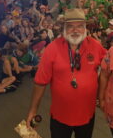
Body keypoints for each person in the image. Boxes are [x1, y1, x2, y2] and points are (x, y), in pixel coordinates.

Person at [26, 8, 106, 138]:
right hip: (60, 116)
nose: (75, 30)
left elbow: (111, 65)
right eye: (70, 26)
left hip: (87, 115)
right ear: (64, 28)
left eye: (80, 26)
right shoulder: (52, 49)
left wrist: (102, 96)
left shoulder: (96, 46)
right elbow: (40, 83)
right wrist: (33, 110)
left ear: (85, 28)